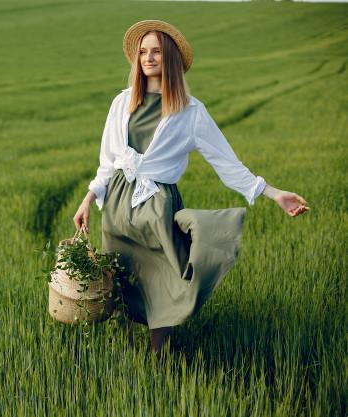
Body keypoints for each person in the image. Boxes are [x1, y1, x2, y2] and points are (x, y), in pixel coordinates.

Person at [73, 20, 309, 356]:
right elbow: (108, 161)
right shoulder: (122, 103)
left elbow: (226, 163)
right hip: (118, 208)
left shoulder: (190, 111)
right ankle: (124, 352)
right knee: (121, 278)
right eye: (143, 51)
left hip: (156, 207)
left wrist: (272, 193)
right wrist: (88, 200)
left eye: (155, 51)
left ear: (169, 58)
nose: (148, 57)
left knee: (164, 278)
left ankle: (159, 358)